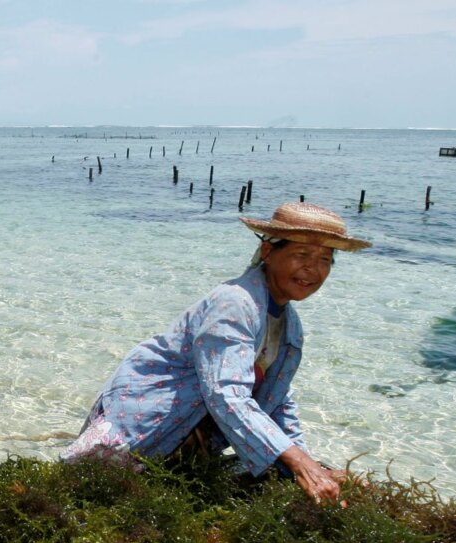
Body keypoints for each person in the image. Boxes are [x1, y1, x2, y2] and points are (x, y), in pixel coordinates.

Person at [62, 202, 370, 504]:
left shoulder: (289, 326)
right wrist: (299, 463)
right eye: (301, 254)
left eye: (325, 259)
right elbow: (226, 393)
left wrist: (311, 467)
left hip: (188, 444)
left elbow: (277, 404)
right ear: (268, 252)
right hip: (139, 429)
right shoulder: (235, 303)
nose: (313, 269)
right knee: (90, 499)